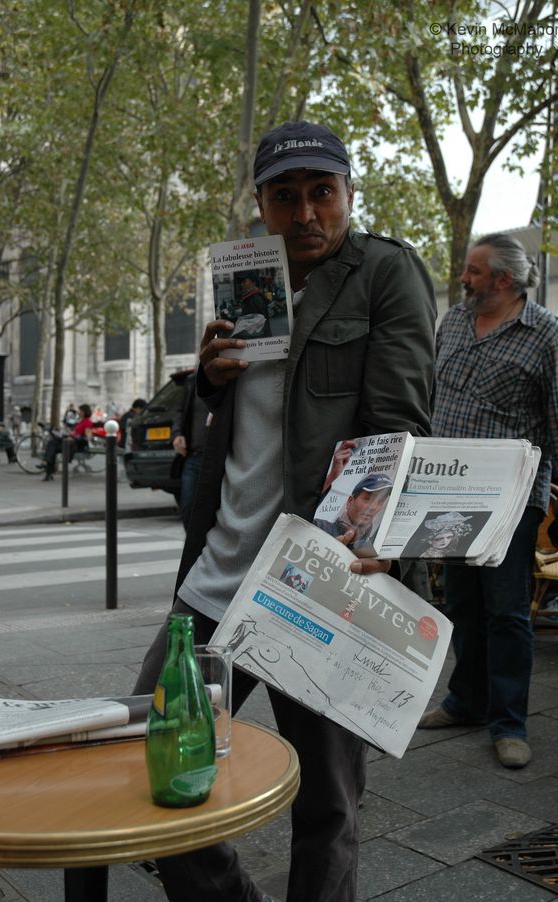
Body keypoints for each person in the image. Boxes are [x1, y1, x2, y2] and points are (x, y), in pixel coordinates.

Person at [134, 119, 436, 902]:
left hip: (319, 585)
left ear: (346, 193)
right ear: (261, 206)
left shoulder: (384, 273)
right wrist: (205, 378)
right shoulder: (245, 279)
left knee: (328, 807)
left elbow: (400, 424)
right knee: (152, 765)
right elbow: (218, 425)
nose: (306, 213)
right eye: (286, 196)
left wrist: (380, 542)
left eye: (321, 193)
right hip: (214, 581)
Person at [419, 233, 558, 770]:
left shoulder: (548, 334)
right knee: (462, 604)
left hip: (512, 498)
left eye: (473, 271)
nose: (463, 279)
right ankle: (465, 701)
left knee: (507, 611)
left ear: (504, 280)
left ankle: (509, 722)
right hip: (449, 490)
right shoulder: (453, 324)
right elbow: (431, 397)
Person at [313, 473, 393, 554]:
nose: (373, 507)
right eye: (367, 499)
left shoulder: (374, 548)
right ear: (350, 501)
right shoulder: (318, 527)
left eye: (380, 502)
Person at [171, 372, 209, 529]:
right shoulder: (193, 380)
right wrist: (177, 434)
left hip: (218, 459)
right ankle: (195, 551)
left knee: (212, 512)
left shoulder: (231, 379)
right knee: (187, 508)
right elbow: (180, 412)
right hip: (192, 456)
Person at [41, 403, 94, 481]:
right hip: (69, 441)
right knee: (52, 444)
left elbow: (87, 437)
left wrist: (74, 438)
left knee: (52, 445)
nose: (79, 412)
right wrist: (68, 433)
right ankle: (47, 469)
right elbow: (75, 432)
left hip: (76, 444)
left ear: (85, 412)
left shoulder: (88, 422)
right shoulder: (80, 421)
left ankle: (47, 468)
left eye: (80, 411)